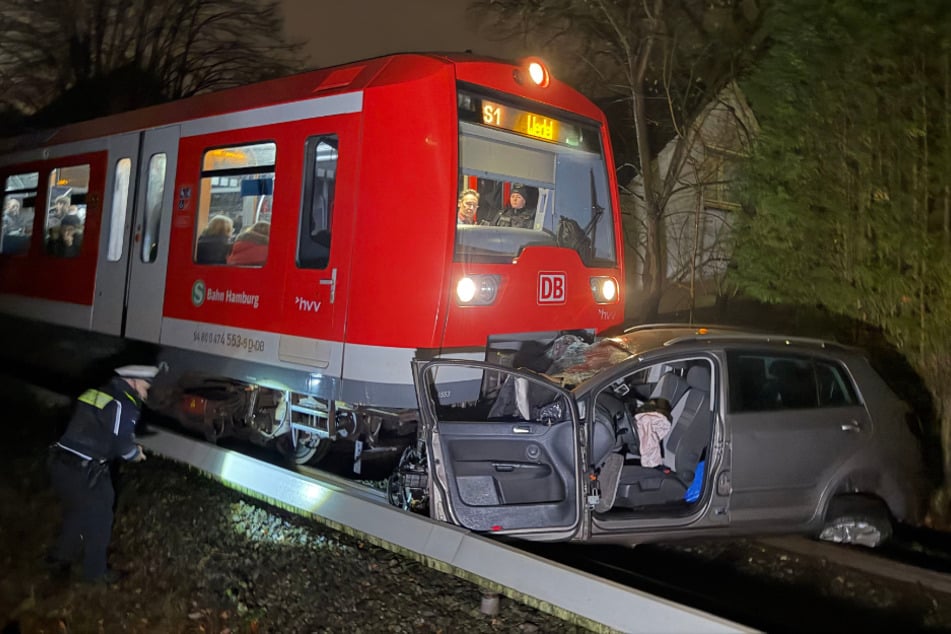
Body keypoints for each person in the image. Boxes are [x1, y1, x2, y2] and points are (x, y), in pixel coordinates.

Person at [46, 364, 164, 584]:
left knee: (77, 512)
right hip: (85, 470)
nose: (147, 392)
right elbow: (123, 446)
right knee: (101, 517)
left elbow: (92, 424)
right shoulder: (125, 404)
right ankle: (95, 573)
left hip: (61, 464)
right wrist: (135, 454)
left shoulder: (97, 391)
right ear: (133, 381)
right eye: (147, 386)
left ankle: (59, 558)